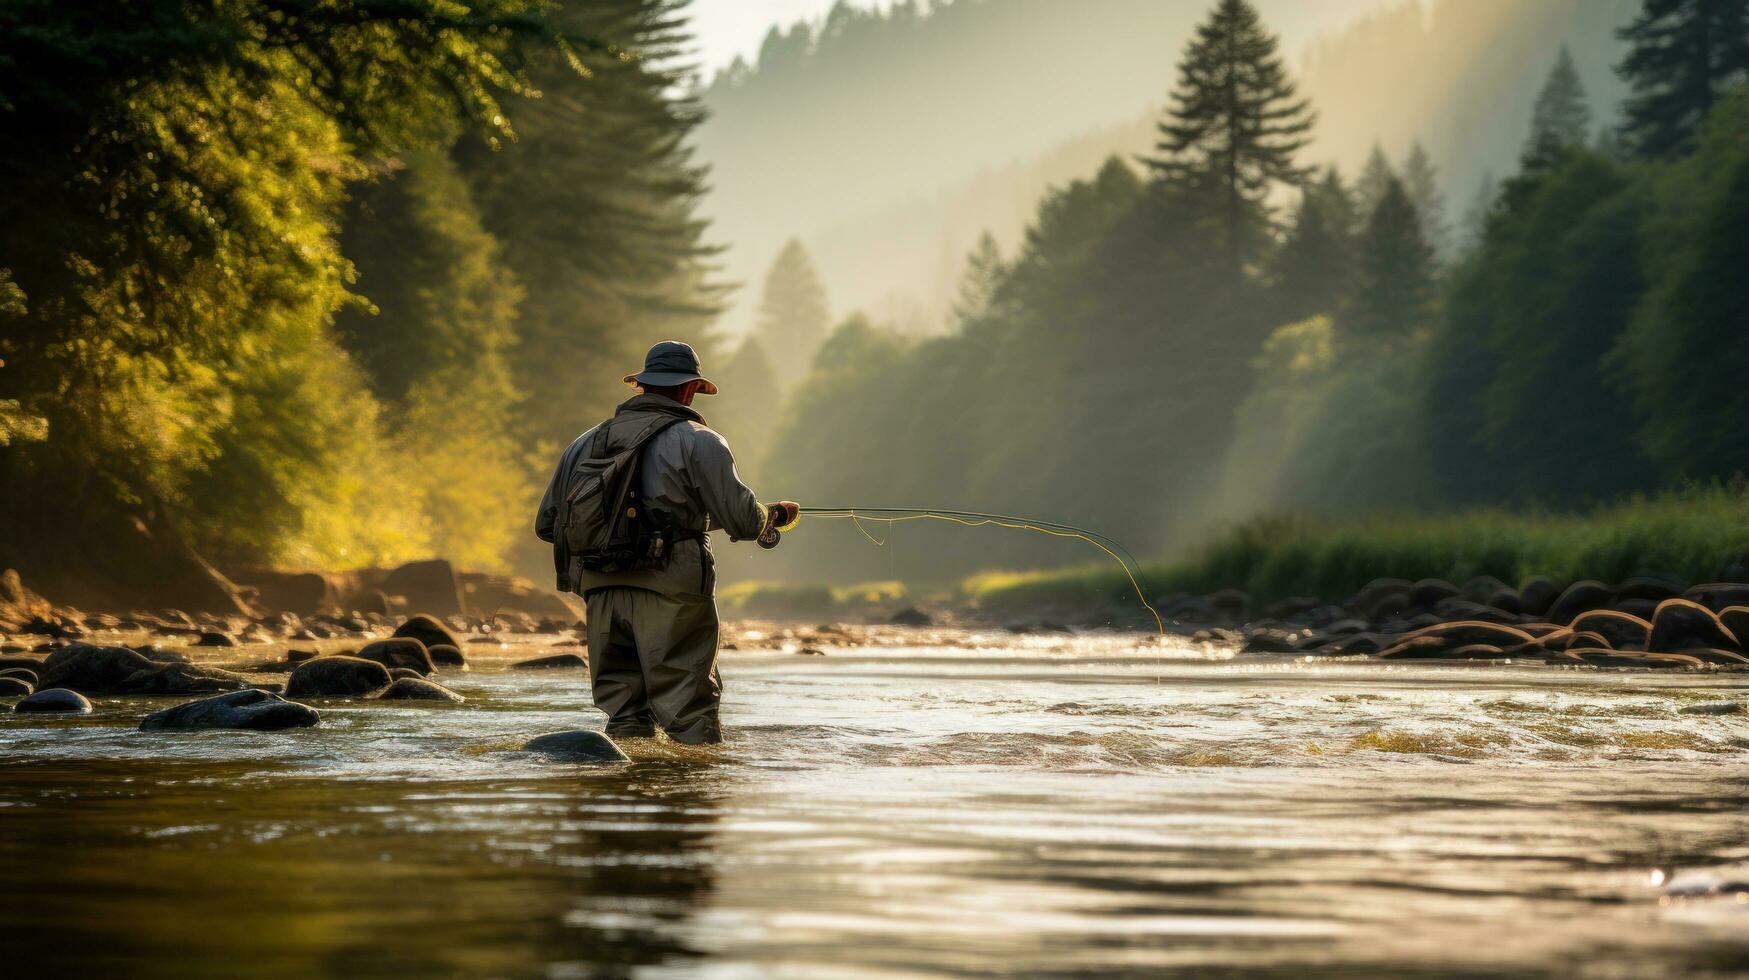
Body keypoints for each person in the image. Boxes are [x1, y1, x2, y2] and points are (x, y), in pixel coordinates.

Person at [535, 341, 798, 745]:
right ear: (690, 388)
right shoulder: (700, 440)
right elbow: (745, 521)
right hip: (670, 586)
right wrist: (774, 516)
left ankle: (624, 793)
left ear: (642, 385)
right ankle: (688, 797)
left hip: (600, 588)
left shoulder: (583, 443)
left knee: (624, 716)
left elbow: (547, 524)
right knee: (689, 711)